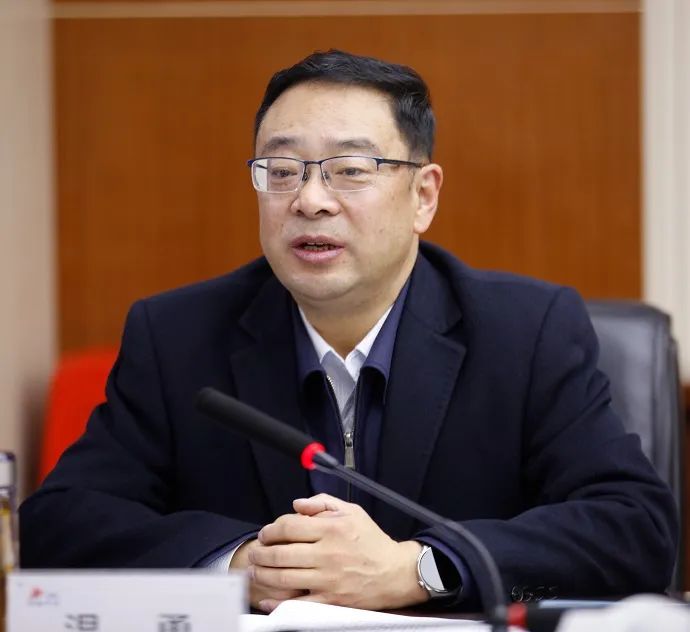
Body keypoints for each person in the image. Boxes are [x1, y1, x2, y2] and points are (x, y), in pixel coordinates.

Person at [20, 50, 677, 613]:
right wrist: (240, 563)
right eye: (282, 171)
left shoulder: (525, 332)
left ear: (423, 196)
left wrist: (421, 568)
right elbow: (59, 524)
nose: (310, 200)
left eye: (351, 170)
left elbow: (635, 528)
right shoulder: (177, 336)